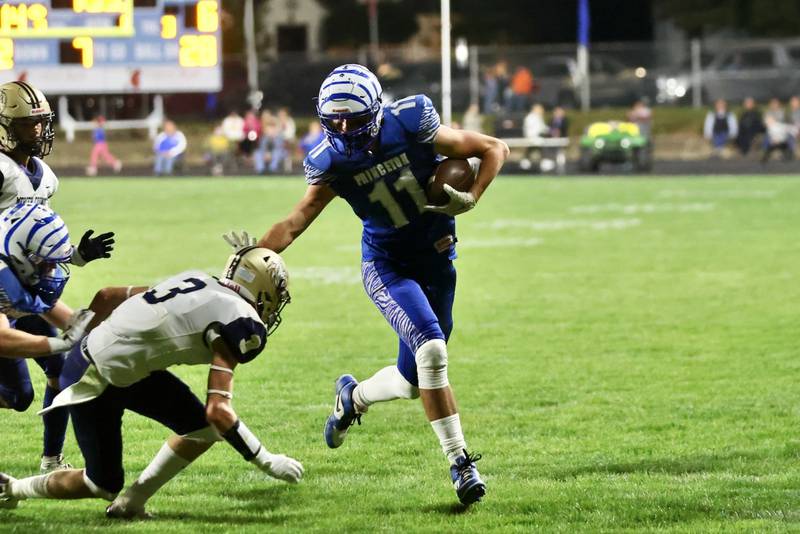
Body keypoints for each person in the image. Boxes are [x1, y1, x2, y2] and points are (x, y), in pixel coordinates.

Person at [257, 64, 509, 506]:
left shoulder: (411, 123)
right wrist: (253, 256)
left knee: (415, 380)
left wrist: (473, 197)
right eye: (332, 120)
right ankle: (461, 463)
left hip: (437, 258)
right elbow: (297, 221)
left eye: (351, 119)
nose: (341, 128)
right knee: (432, 349)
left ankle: (352, 398)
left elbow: (493, 148)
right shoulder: (330, 159)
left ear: (375, 111)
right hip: (387, 264)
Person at [0, 241, 303, 517]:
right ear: (264, 289)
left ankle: (132, 502)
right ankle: (13, 489)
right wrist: (266, 460)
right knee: (101, 484)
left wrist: (81, 342)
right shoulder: (242, 322)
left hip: (113, 364)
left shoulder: (198, 279)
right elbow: (219, 410)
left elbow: (108, 296)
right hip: (94, 377)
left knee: (201, 429)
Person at [0, 80, 114, 472]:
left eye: (41, 123)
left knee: (67, 361)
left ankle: (52, 460)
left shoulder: (44, 175)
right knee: (19, 394)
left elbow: (39, 236)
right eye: (28, 124)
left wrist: (77, 256)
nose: (39, 131)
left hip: (24, 282)